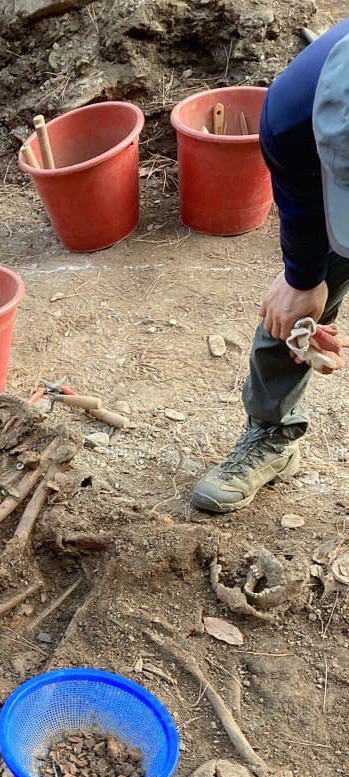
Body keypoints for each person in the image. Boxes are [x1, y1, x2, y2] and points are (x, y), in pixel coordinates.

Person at [192, 21, 349, 513]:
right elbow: (304, 207)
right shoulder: (290, 114)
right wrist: (304, 279)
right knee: (298, 304)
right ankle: (272, 434)